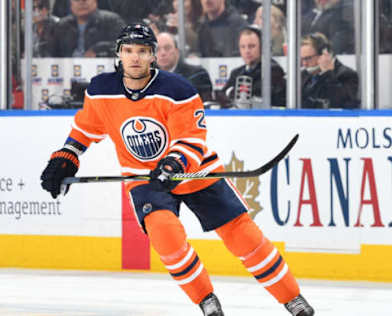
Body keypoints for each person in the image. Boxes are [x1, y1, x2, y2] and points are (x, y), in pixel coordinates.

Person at [40, 22, 315, 316]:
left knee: (242, 235)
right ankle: (206, 300)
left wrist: (173, 163)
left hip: (195, 171)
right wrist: (66, 157)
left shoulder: (178, 90)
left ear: (153, 56)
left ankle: (292, 298)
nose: (135, 57)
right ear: (119, 54)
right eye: (129, 51)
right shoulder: (100, 91)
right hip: (145, 179)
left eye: (143, 51)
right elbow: (86, 129)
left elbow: (192, 140)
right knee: (165, 237)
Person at [221, 26, 286, 108]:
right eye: (243, 47)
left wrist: (232, 93)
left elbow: (256, 93)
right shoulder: (236, 73)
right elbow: (222, 96)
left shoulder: (272, 70)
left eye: (251, 46)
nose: (247, 51)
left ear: (262, 47)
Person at [300, 32, 360, 109]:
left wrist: (327, 73)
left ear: (324, 54)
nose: (304, 64)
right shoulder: (304, 75)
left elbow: (337, 102)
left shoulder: (347, 75)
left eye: (308, 58)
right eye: (302, 59)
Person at [51, 0, 126, 57]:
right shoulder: (62, 25)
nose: (81, 3)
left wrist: (98, 50)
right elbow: (51, 54)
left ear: (95, 1)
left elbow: (126, 45)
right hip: (67, 72)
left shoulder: (112, 20)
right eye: (77, 0)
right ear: (70, 4)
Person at [156, 32, 213, 102]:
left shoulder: (198, 74)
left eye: (167, 48)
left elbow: (205, 107)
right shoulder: (148, 79)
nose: (162, 53)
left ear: (177, 51)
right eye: (157, 49)